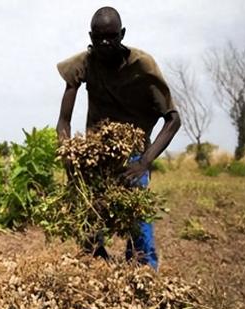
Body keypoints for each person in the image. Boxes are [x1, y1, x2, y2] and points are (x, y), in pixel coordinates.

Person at [56, 7, 181, 270]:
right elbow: (64, 121)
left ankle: (144, 277)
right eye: (99, 38)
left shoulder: (142, 65)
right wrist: (68, 153)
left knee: (138, 222)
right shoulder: (84, 63)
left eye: (111, 37)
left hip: (133, 154)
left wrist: (145, 162)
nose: (105, 44)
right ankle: (94, 269)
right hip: (96, 153)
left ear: (121, 34)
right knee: (91, 219)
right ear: (91, 37)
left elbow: (172, 119)